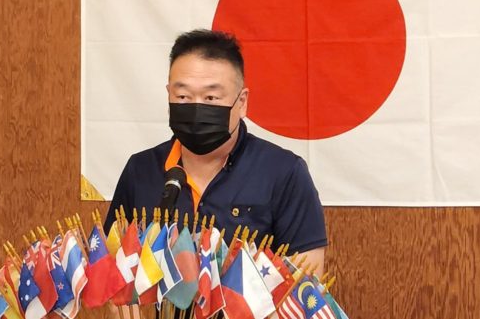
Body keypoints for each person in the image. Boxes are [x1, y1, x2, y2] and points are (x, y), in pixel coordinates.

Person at [104, 29, 327, 274]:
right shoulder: (140, 170)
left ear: (242, 102)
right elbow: (114, 274)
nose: (196, 108)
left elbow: (306, 281)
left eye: (211, 98)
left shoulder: (284, 172)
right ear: (169, 95)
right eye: (183, 96)